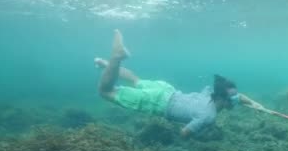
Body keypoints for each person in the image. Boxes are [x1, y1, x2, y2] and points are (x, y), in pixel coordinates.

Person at [95, 30, 266, 138]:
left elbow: (239, 97)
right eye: (233, 98)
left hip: (166, 91)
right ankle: (116, 58)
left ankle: (107, 65)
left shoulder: (210, 93)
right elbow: (184, 133)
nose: (236, 100)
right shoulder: (209, 116)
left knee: (136, 80)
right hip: (158, 103)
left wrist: (255, 104)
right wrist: (199, 131)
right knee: (106, 92)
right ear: (223, 98)